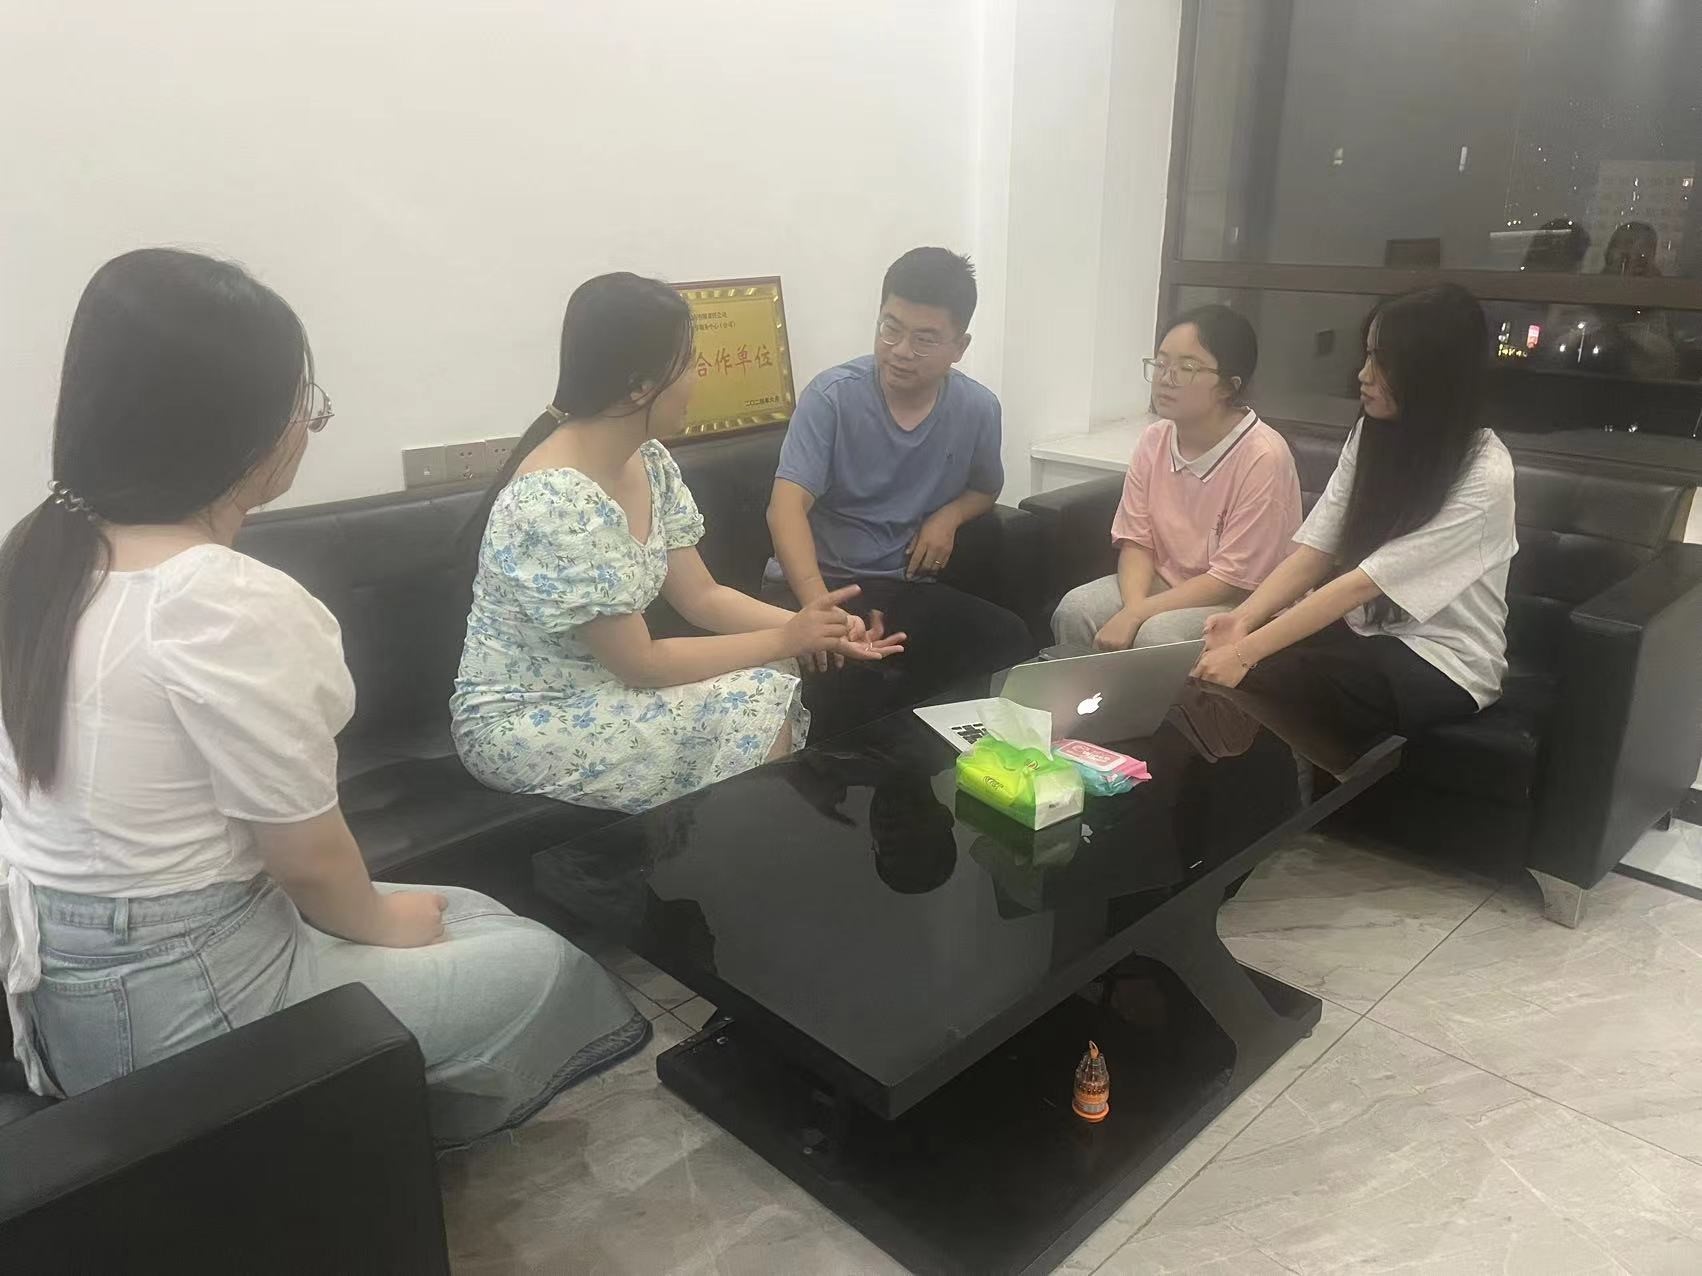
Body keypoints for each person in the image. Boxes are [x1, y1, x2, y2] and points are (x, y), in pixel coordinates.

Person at [0, 248, 645, 1145]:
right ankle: (366, 1142)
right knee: (539, 960)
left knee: (471, 911)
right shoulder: (219, 599)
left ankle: (360, 1129)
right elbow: (307, 861)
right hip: (190, 1006)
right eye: (303, 402)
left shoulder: (38, 553)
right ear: (239, 425)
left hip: (65, 999)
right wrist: (379, 921)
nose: (307, 424)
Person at [453, 272, 901, 815]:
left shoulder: (647, 460)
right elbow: (640, 664)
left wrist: (819, 628)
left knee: (772, 673)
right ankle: (744, 848)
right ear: (640, 385)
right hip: (526, 720)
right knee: (755, 696)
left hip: (601, 684)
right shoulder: (555, 500)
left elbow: (702, 597)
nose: (698, 377)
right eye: (689, 363)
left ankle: (736, 841)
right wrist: (789, 637)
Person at [1192, 284, 1516, 759]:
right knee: (1221, 668)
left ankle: (1294, 799)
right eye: (1367, 355)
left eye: (1381, 362)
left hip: (1444, 659)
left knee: (1266, 677)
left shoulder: (1485, 471)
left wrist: (1246, 651)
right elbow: (1316, 550)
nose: (1362, 375)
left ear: (1430, 372)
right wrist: (1242, 620)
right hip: (1366, 632)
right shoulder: (1373, 433)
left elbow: (1363, 583)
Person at [765, 247, 1034, 740]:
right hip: (819, 583)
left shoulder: (977, 408)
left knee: (1010, 639)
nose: (900, 350)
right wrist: (819, 610)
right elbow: (785, 508)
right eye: (890, 329)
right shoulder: (832, 397)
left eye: (924, 339)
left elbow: (986, 487)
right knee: (852, 685)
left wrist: (949, 516)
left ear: (960, 345)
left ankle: (962, 766)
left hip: (902, 587)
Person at [1051, 306, 1301, 652]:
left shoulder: (1263, 456)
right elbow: (1137, 541)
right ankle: (1080, 689)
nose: (1166, 378)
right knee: (1076, 610)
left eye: (1187, 368)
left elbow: (1229, 580)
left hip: (1243, 599)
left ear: (1228, 386)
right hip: (1165, 582)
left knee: (1158, 636)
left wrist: (1138, 615)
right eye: (1161, 363)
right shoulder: (1154, 439)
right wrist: (1134, 609)